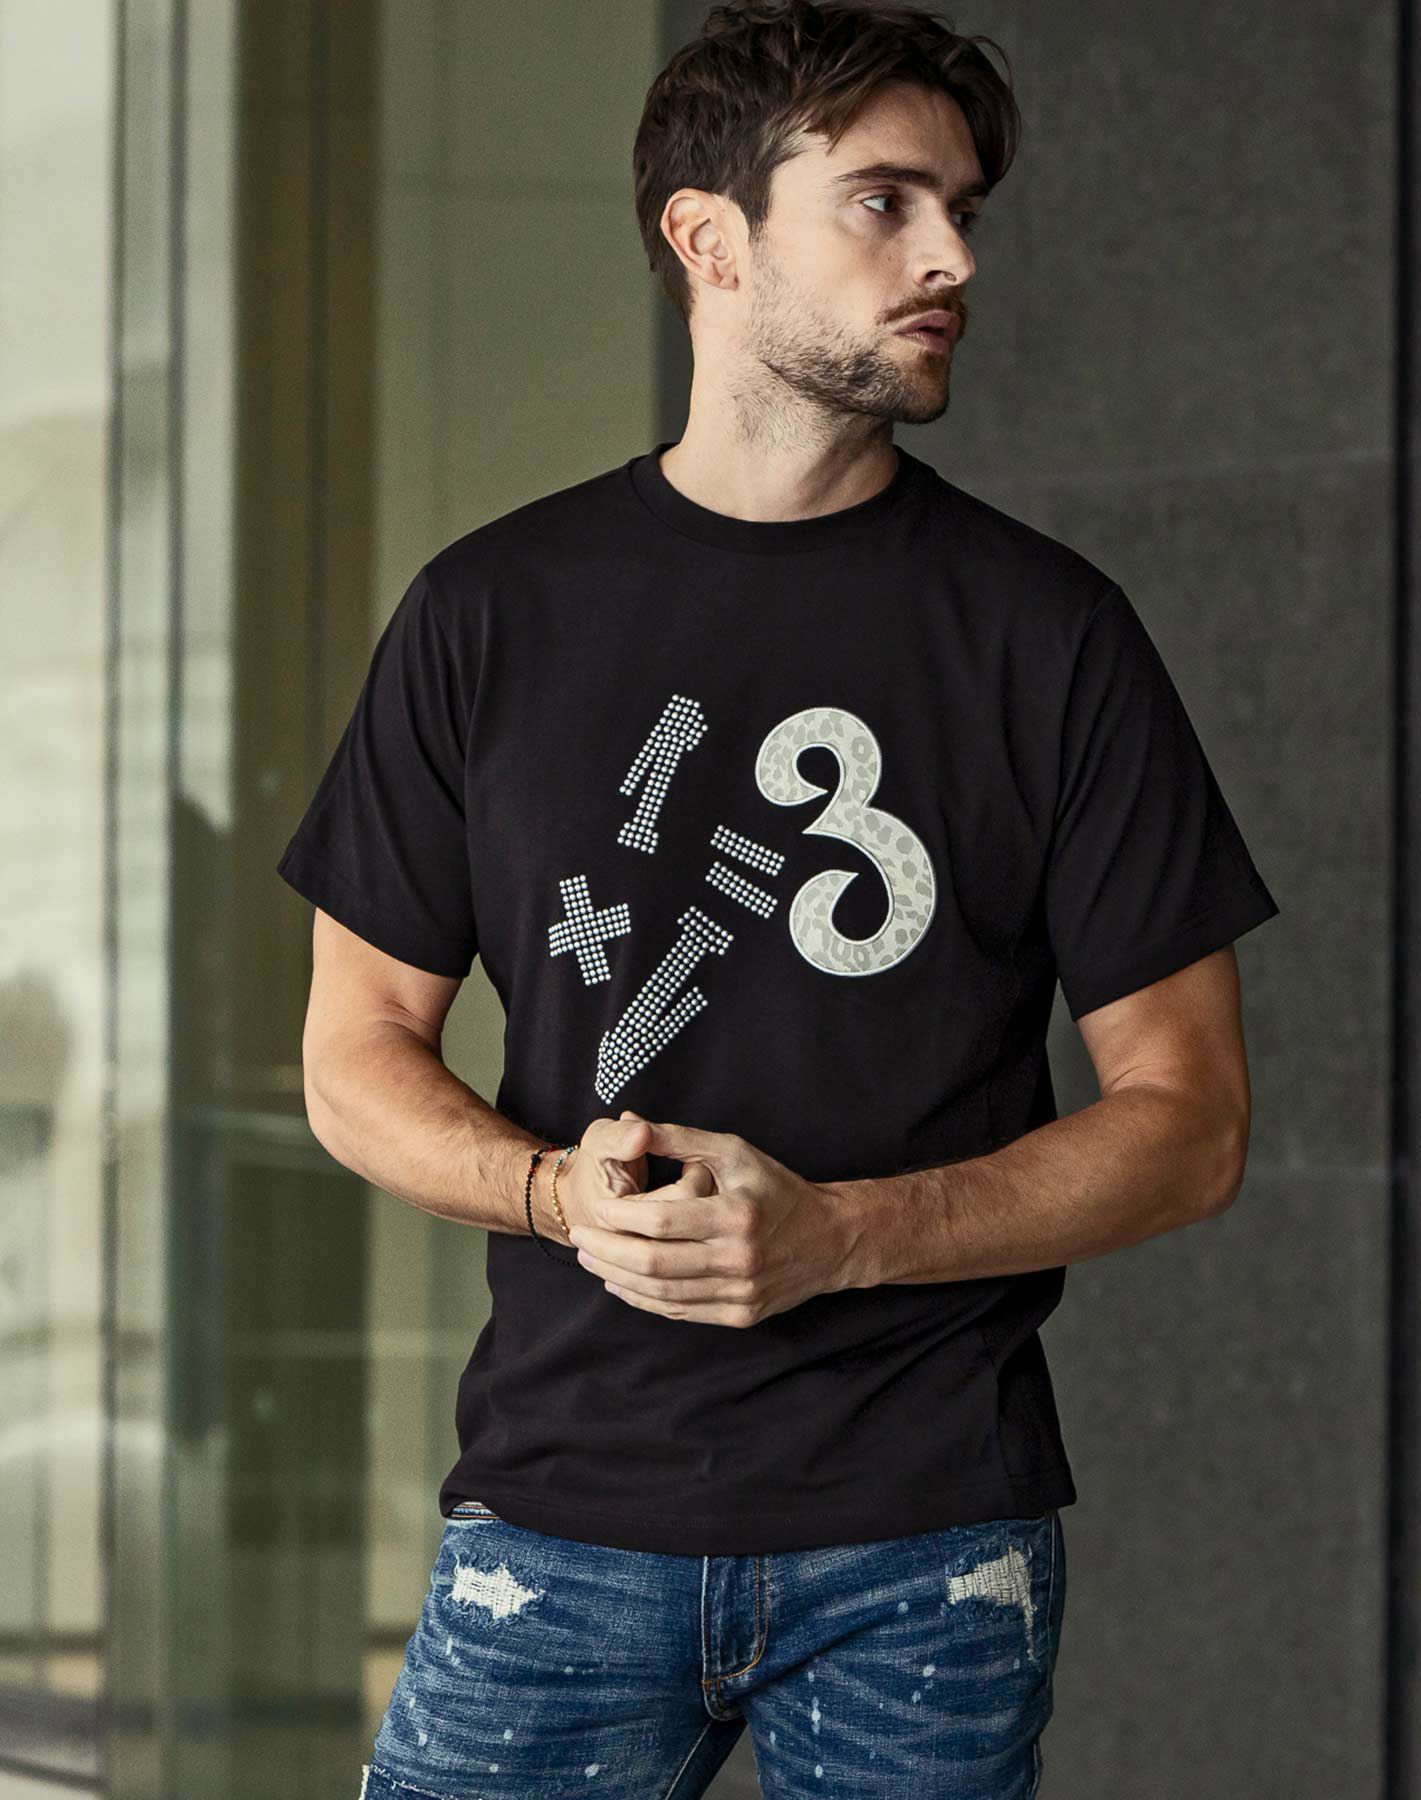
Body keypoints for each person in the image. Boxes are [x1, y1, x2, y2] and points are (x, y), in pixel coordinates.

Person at [280, 4, 1280, 1795]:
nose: (952, 256)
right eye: (885, 202)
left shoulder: (1048, 636)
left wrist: (847, 1236)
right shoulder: (490, 615)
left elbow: (1192, 1123)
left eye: (963, 208)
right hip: (560, 1519)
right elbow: (353, 1056)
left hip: (927, 1547)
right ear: (710, 238)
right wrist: (552, 1195)